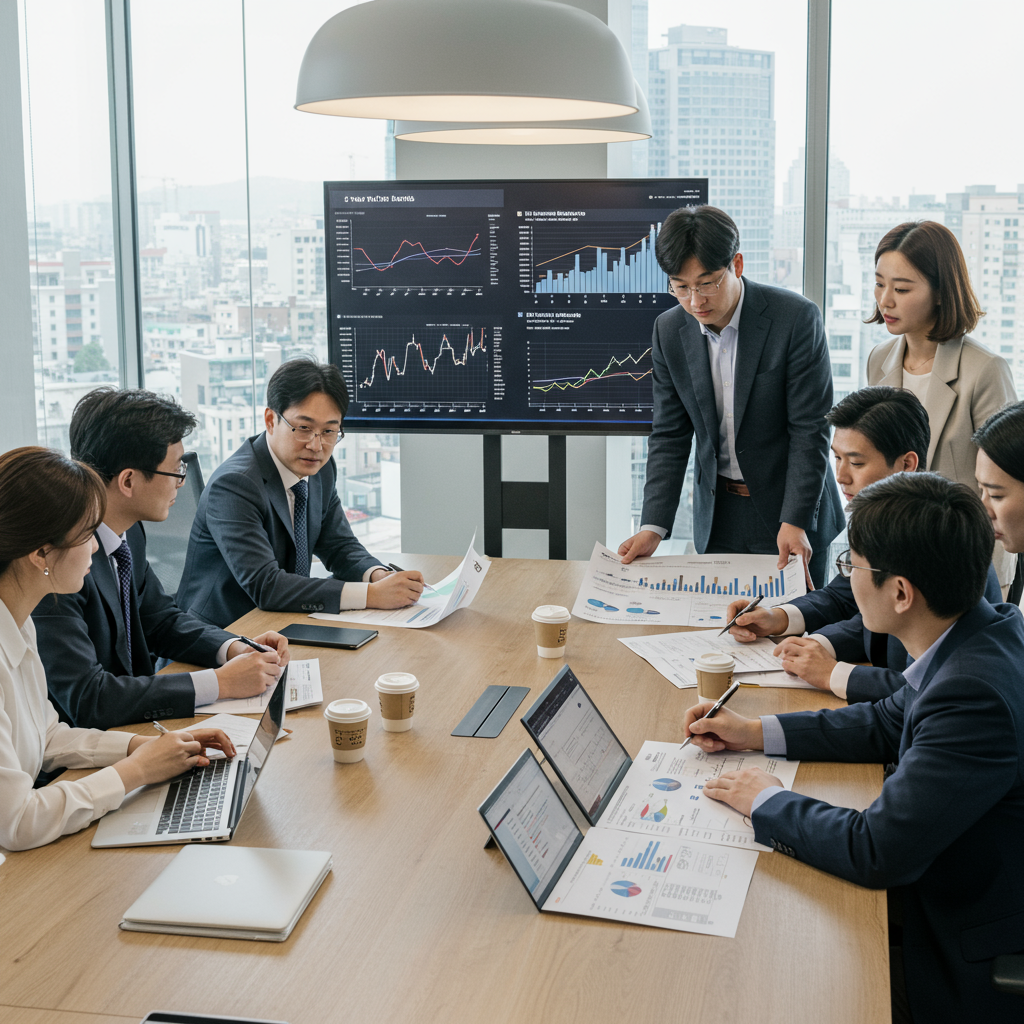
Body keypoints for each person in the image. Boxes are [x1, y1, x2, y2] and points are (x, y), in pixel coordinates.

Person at [683, 472, 1024, 1024]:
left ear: (901, 592)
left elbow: (876, 851)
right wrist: (753, 732)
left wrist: (765, 799)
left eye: (852, 567)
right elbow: (888, 721)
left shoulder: (972, 695)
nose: (847, 580)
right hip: (941, 890)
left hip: (958, 948)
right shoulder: (982, 632)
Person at [0, 447, 237, 852]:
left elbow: (47, 737)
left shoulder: (18, 623)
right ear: (40, 552)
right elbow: (17, 821)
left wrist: (141, 747)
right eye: (86, 534)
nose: (95, 547)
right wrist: (135, 771)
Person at [32, 388, 288, 729]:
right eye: (175, 470)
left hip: (138, 728)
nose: (182, 483)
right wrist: (220, 683)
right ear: (128, 481)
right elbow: (87, 698)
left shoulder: (128, 532)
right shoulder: (59, 560)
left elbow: (160, 620)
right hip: (82, 755)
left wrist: (234, 648)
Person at [617, 205, 843, 590]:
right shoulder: (669, 330)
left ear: (736, 264)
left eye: (707, 283)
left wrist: (796, 519)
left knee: (791, 633)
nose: (695, 301)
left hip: (788, 511)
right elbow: (670, 434)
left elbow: (810, 429)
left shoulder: (795, 318)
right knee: (718, 632)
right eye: (680, 286)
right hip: (717, 512)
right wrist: (653, 525)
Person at [728, 386, 1001, 700]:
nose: (841, 476)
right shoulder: (882, 517)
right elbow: (846, 597)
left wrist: (833, 673)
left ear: (906, 464)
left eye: (856, 463)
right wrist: (778, 619)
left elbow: (930, 686)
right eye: (837, 458)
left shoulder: (944, 537)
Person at [178, 358, 423, 628]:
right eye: (304, 428)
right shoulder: (235, 484)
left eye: (329, 431)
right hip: (225, 636)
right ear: (271, 420)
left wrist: (378, 576)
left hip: (284, 624)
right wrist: (371, 596)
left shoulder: (321, 470)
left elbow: (339, 546)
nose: (316, 445)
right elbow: (266, 586)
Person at [867, 219, 1017, 592]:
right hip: (902, 558)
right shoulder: (879, 360)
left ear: (939, 292)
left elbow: (1005, 489)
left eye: (901, 288)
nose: (885, 299)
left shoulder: (985, 370)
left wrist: (989, 584)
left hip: (966, 564)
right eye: (880, 283)